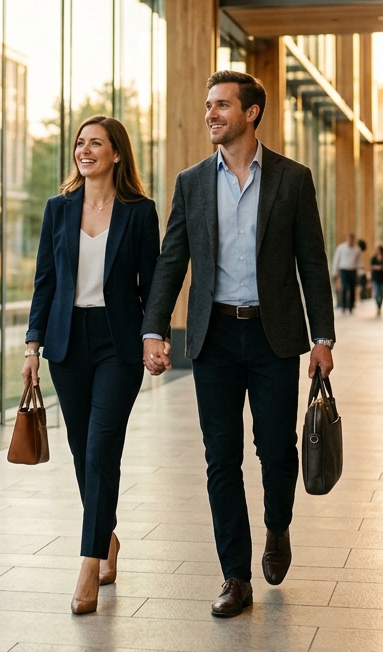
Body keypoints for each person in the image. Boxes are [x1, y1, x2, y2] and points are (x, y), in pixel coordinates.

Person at [141, 71, 335, 619]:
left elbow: (312, 263)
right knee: (220, 456)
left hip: (275, 336)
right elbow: (171, 261)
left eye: (222, 105)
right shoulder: (193, 181)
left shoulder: (293, 179)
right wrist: (153, 328)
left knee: (276, 450)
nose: (211, 114)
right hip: (215, 336)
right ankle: (235, 574)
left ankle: (277, 526)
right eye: (207, 105)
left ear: (252, 113)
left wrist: (323, 337)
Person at [23, 115, 161, 615]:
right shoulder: (58, 209)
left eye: (95, 143)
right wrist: (32, 345)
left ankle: (88, 559)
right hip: (66, 341)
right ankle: (108, 537)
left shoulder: (139, 212)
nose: (85, 150)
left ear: (116, 153)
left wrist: (154, 335)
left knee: (103, 447)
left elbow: (153, 284)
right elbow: (45, 281)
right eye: (80, 142)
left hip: (117, 343)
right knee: (82, 449)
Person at [332, 233, 362, 313]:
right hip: (344, 270)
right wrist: (334, 271)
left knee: (352, 288)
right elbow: (336, 259)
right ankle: (343, 306)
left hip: (352, 270)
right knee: (344, 287)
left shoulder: (357, 249)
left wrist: (360, 271)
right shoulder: (341, 248)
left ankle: (351, 306)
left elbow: (359, 262)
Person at [370, 244, 383, 315]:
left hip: (382, 279)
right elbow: (372, 267)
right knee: (376, 293)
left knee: (381, 293)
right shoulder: (373, 259)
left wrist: (378, 267)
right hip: (375, 278)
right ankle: (377, 305)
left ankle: (379, 306)